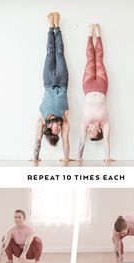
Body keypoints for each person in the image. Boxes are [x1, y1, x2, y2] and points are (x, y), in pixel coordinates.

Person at [34, 12, 70, 161]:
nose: (59, 128)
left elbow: (37, 141)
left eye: (57, 130)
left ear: (49, 129)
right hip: (62, 82)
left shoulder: (41, 120)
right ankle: (57, 26)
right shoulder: (64, 119)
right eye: (60, 130)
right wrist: (66, 158)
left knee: (50, 53)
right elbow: (66, 141)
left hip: (48, 81)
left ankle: (50, 26)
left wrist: (36, 157)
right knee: (60, 53)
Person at [78, 24, 111, 161]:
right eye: (92, 132)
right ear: (99, 131)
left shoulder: (85, 123)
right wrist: (107, 157)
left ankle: (89, 35)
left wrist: (79, 157)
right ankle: (99, 35)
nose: (89, 130)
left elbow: (81, 142)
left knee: (91, 59)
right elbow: (106, 141)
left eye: (88, 132)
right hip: (102, 86)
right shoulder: (105, 123)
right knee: (99, 59)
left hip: (88, 86)